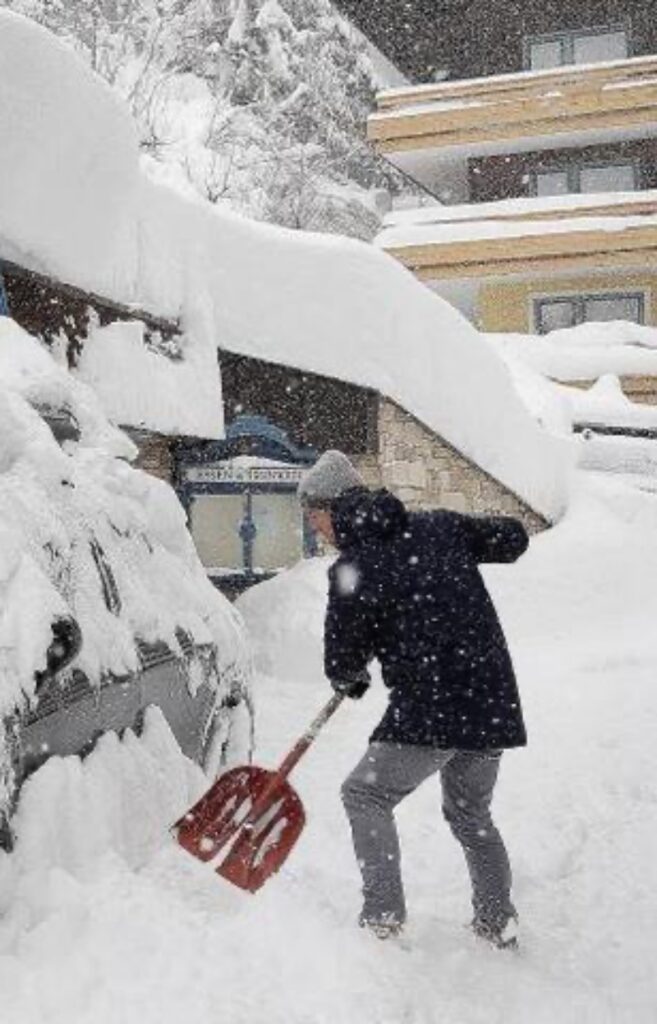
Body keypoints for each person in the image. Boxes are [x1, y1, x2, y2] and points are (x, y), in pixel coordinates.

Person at [297, 450, 529, 948]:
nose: (316, 529)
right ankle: (497, 919)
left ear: (331, 507)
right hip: (490, 701)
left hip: (432, 708)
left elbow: (344, 663)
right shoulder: (439, 526)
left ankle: (381, 918)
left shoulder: (351, 569)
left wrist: (350, 678)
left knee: (364, 794)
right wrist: (485, 533)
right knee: (471, 814)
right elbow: (512, 538)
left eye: (313, 516)